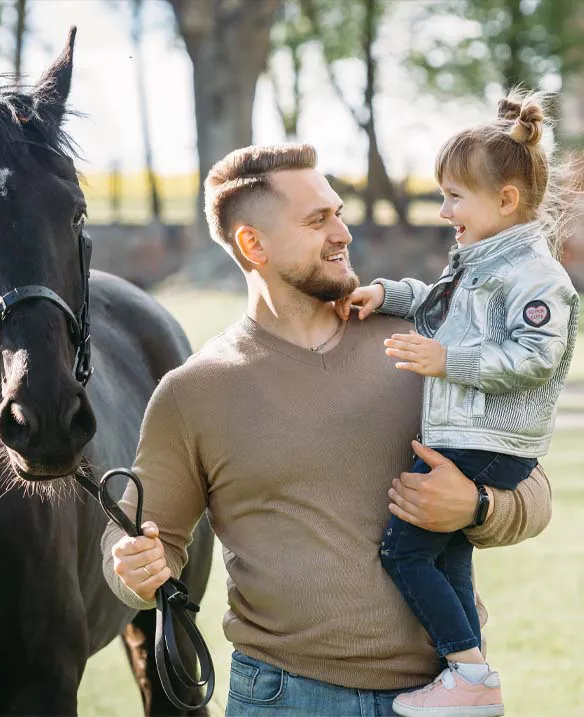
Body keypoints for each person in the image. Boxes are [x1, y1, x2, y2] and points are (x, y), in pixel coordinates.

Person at [101, 143, 553, 717]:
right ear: (253, 244)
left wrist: (477, 506)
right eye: (318, 220)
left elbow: (534, 490)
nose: (343, 232)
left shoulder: (428, 342)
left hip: (450, 694)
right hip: (285, 698)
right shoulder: (194, 392)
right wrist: (131, 568)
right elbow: (137, 542)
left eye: (337, 212)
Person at [338, 92, 578, 717]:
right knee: (448, 548)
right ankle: (469, 674)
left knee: (404, 550)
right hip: (467, 435)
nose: (444, 211)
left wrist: (449, 361)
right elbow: (442, 303)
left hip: (489, 440)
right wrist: (389, 293)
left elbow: (536, 358)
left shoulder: (537, 277)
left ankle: (469, 674)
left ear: (506, 201)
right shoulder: (481, 262)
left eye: (454, 197)